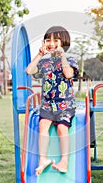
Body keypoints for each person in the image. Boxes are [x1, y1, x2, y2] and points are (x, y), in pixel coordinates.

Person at [25, 26, 79, 176]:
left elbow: (68, 74)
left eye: (56, 40)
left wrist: (62, 56)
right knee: (43, 126)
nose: (51, 43)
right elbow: (29, 71)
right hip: (48, 104)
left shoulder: (70, 59)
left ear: (64, 43)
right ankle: (43, 159)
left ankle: (64, 162)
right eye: (48, 40)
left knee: (62, 128)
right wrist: (39, 54)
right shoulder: (44, 63)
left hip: (65, 105)